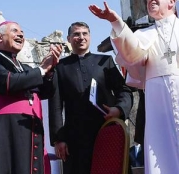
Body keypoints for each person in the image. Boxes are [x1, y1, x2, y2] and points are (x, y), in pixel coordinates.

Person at [90, 0, 179, 174]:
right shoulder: (144, 34)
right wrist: (116, 21)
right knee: (160, 149)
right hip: (157, 100)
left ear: (172, 2)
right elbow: (131, 54)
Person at [0, 21, 62, 174]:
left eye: (22, 32)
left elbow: (46, 92)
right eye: (15, 31)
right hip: (3, 131)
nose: (21, 35)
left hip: (29, 130)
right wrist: (42, 69)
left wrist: (50, 71)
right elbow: (7, 82)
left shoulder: (26, 68)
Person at [48, 21, 133, 174]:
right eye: (76, 34)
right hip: (75, 138)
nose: (81, 37)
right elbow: (55, 105)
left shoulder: (104, 61)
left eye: (84, 33)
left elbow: (124, 90)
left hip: (107, 130)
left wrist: (119, 109)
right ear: (68, 38)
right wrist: (58, 139)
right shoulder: (60, 67)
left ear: (90, 37)